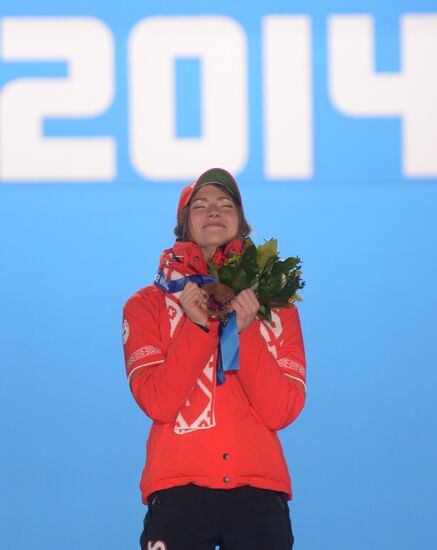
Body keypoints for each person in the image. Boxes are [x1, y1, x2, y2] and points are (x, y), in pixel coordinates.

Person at [122, 168, 306, 550]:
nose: (214, 212)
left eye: (226, 204)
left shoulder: (277, 305)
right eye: (200, 205)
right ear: (183, 225)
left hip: (258, 488)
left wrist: (246, 329)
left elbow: (281, 411)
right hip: (177, 489)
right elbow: (159, 402)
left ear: (241, 221)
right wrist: (200, 327)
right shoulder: (146, 306)